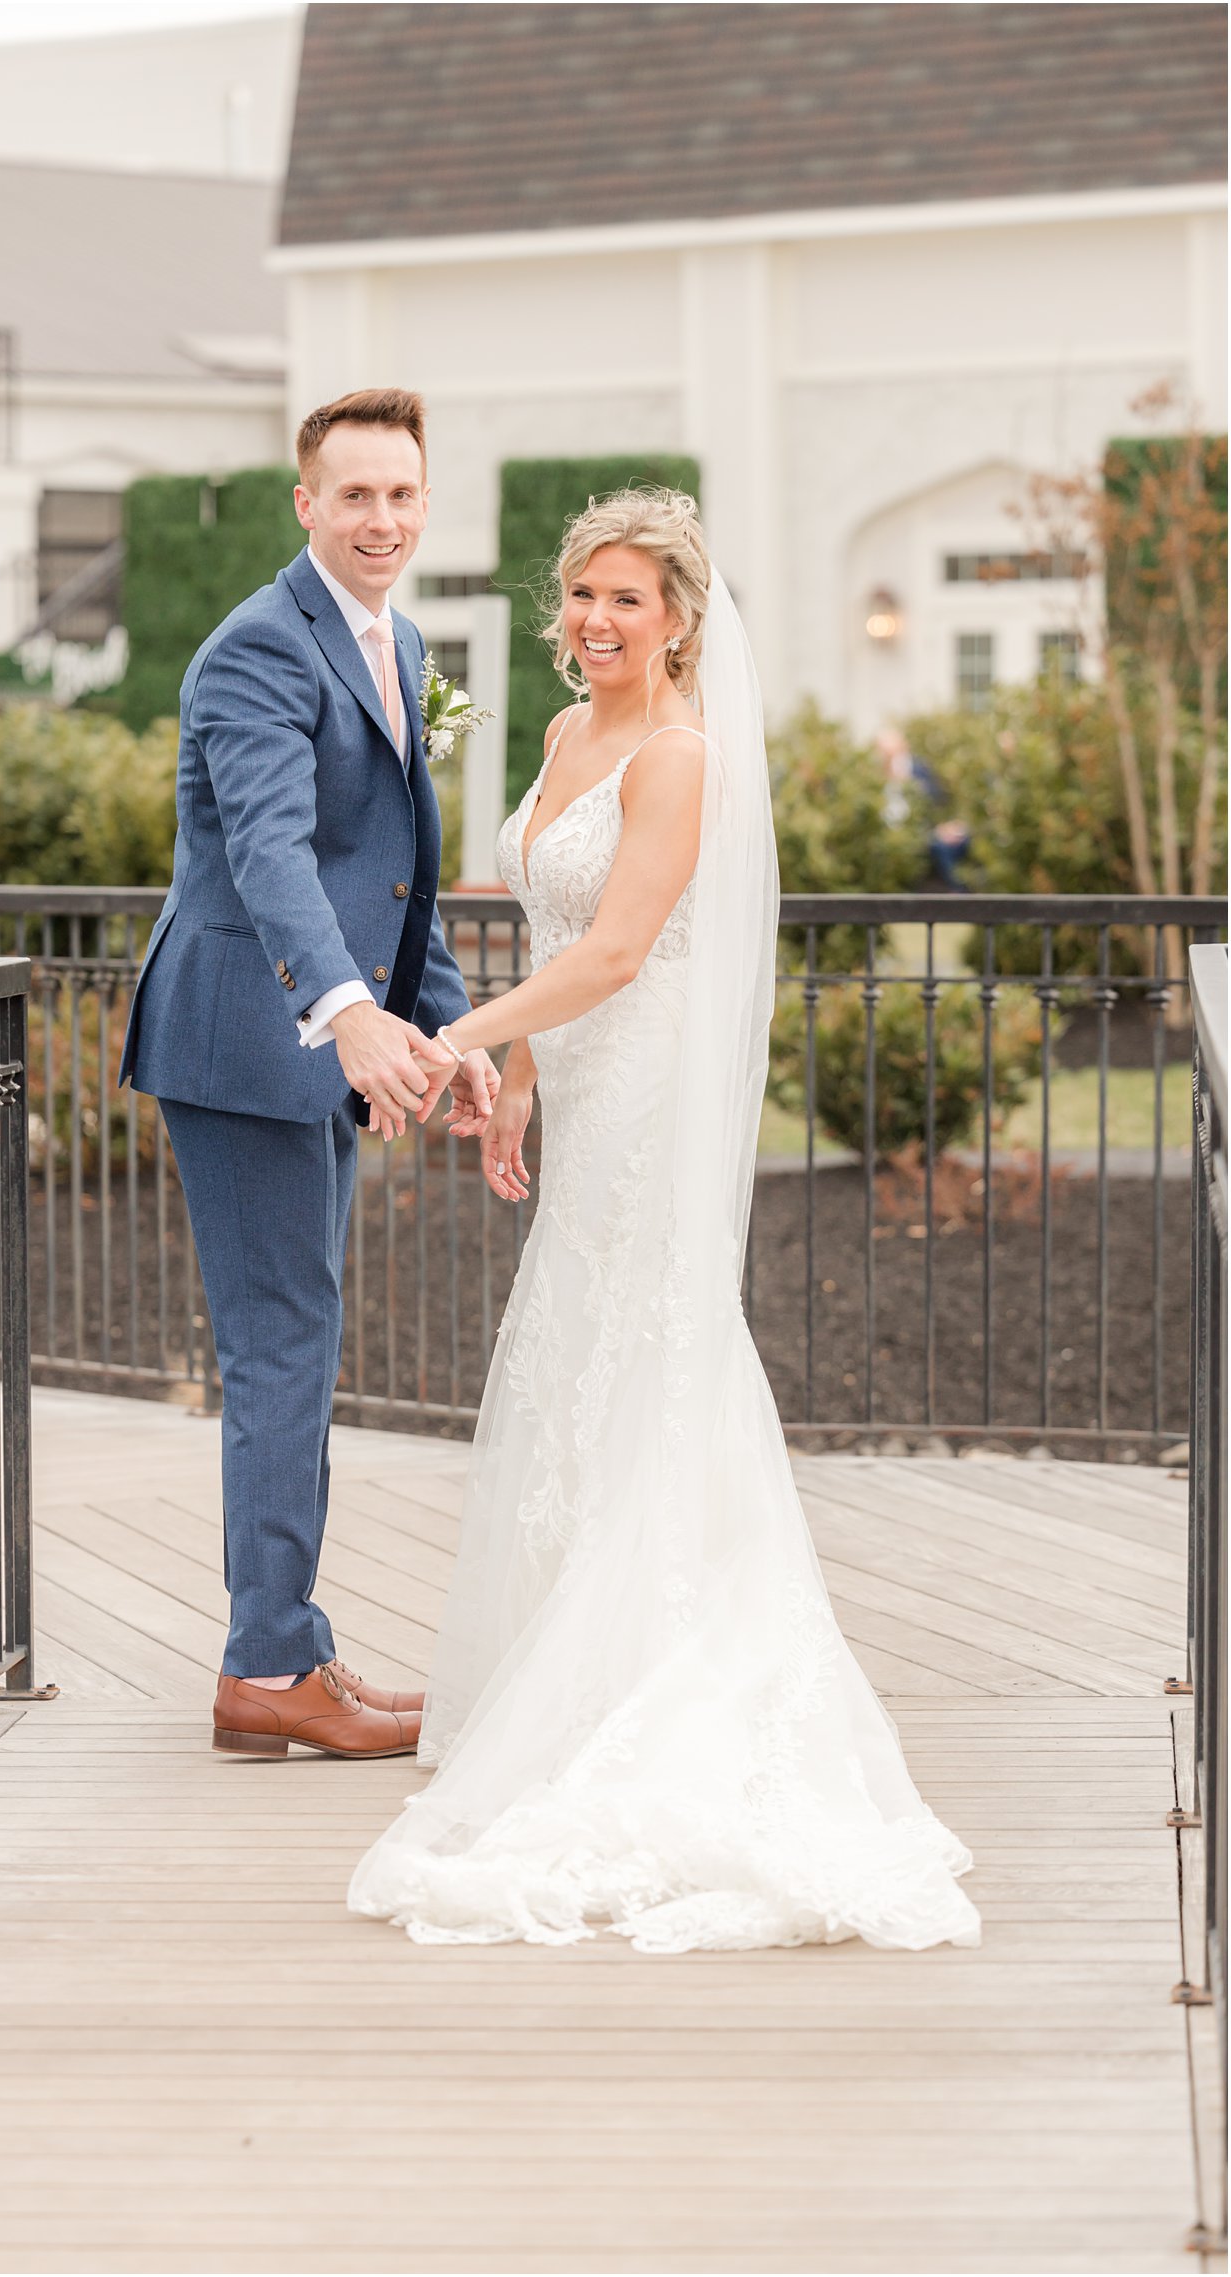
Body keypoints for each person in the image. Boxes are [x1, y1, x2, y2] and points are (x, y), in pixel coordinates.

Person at [348, 489, 981, 1953]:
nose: (595, 620)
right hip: (576, 1075)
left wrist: (449, 1040)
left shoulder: (685, 755)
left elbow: (625, 948)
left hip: (652, 1086)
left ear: (683, 617)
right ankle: (576, 1674)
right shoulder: (572, 735)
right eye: (581, 594)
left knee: (655, 1348)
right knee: (580, 1350)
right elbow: (553, 933)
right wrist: (510, 1074)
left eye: (627, 598)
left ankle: (660, 1670)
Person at [119, 387, 499, 1759]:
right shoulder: (256, 652)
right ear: (306, 502)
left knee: (303, 1338)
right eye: (356, 496)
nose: (382, 520)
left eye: (402, 495)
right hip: (246, 1042)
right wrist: (345, 1012)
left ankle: (290, 1642)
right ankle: (269, 1667)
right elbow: (276, 856)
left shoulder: (387, 640)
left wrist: (448, 1037)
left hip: (310, 1048)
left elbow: (394, 880)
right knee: (283, 1346)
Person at [876, 723, 972, 890]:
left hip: (921, 830)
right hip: (891, 833)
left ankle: (961, 896)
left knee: (949, 843)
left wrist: (942, 827)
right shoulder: (875, 774)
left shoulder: (918, 769)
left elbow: (935, 801)